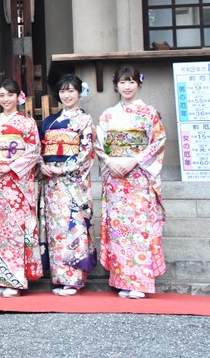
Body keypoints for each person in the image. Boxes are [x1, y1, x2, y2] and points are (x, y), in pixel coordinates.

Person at [95, 65, 166, 299]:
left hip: (138, 176)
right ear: (116, 85)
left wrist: (134, 160)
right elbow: (100, 144)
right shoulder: (107, 114)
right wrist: (110, 161)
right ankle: (122, 281)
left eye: (131, 82)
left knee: (139, 228)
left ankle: (140, 283)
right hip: (116, 177)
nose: (127, 86)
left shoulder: (149, 113)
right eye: (123, 82)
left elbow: (157, 141)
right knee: (118, 228)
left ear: (139, 84)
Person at [0, 79, 42, 298]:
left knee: (14, 229)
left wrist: (10, 167)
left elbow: (33, 151)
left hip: (15, 184)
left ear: (18, 97)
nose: (6, 99)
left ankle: (14, 280)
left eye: (10, 95)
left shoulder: (27, 123)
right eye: (2, 95)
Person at [38, 74, 96, 296]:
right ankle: (59, 277)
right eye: (63, 91)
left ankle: (74, 278)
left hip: (72, 182)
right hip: (52, 182)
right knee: (55, 228)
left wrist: (63, 169)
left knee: (74, 226)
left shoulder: (84, 120)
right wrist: (43, 164)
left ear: (80, 93)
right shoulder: (49, 121)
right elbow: (40, 148)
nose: (67, 95)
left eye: (71, 90)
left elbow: (86, 151)